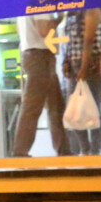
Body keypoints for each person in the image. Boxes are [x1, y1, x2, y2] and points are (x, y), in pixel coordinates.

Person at [12, 10, 68, 157]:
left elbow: (19, 29)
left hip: (35, 55)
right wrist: (58, 18)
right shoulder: (40, 4)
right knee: (33, 107)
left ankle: (64, 150)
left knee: (55, 105)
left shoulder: (24, 5)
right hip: (40, 56)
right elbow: (44, 30)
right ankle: (20, 152)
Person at [60, 8, 101, 155]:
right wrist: (66, 61)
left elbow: (88, 41)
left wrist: (84, 67)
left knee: (93, 108)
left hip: (91, 66)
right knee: (75, 111)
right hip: (75, 65)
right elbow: (71, 40)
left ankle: (94, 149)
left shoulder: (92, 10)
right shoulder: (73, 12)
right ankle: (86, 149)